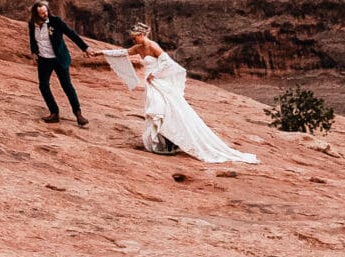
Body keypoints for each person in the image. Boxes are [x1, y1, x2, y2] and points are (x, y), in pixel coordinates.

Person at [103, 22, 258, 164]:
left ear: (141, 35)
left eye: (135, 37)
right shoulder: (137, 48)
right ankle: (165, 142)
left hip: (158, 82)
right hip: (151, 84)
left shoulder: (152, 45)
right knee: (158, 110)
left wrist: (154, 73)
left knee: (163, 109)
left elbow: (167, 62)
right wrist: (101, 52)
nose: (133, 40)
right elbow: (123, 53)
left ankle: (171, 141)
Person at [27, 0, 91, 126]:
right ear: (36, 14)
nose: (45, 14)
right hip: (44, 59)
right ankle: (54, 113)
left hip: (59, 58)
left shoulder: (56, 22)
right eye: (42, 13)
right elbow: (32, 39)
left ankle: (78, 114)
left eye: (46, 11)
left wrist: (85, 48)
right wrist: (34, 52)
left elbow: (71, 34)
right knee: (43, 85)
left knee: (66, 85)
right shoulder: (32, 24)